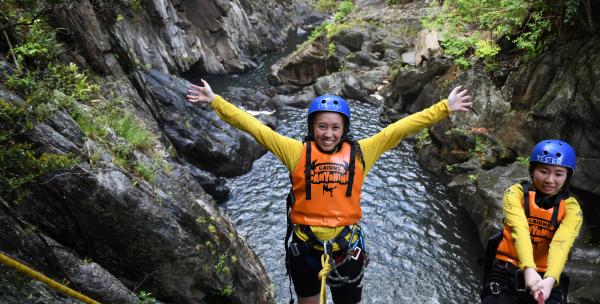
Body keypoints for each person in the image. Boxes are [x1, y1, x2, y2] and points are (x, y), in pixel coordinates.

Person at [187, 81, 472, 304]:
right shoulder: (296, 152)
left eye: (335, 127)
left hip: (346, 251)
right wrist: (216, 101)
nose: (328, 133)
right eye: (322, 126)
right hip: (304, 250)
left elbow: (398, 129)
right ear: (312, 127)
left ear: (344, 129)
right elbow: (255, 127)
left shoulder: (361, 152)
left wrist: (444, 107)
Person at [481, 140, 584, 304]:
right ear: (532, 171)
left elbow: (561, 244)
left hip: (547, 276)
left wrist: (550, 281)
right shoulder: (515, 194)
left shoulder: (572, 209)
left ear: (567, 177)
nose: (550, 180)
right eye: (543, 171)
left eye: (558, 174)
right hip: (507, 271)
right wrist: (528, 269)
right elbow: (520, 230)